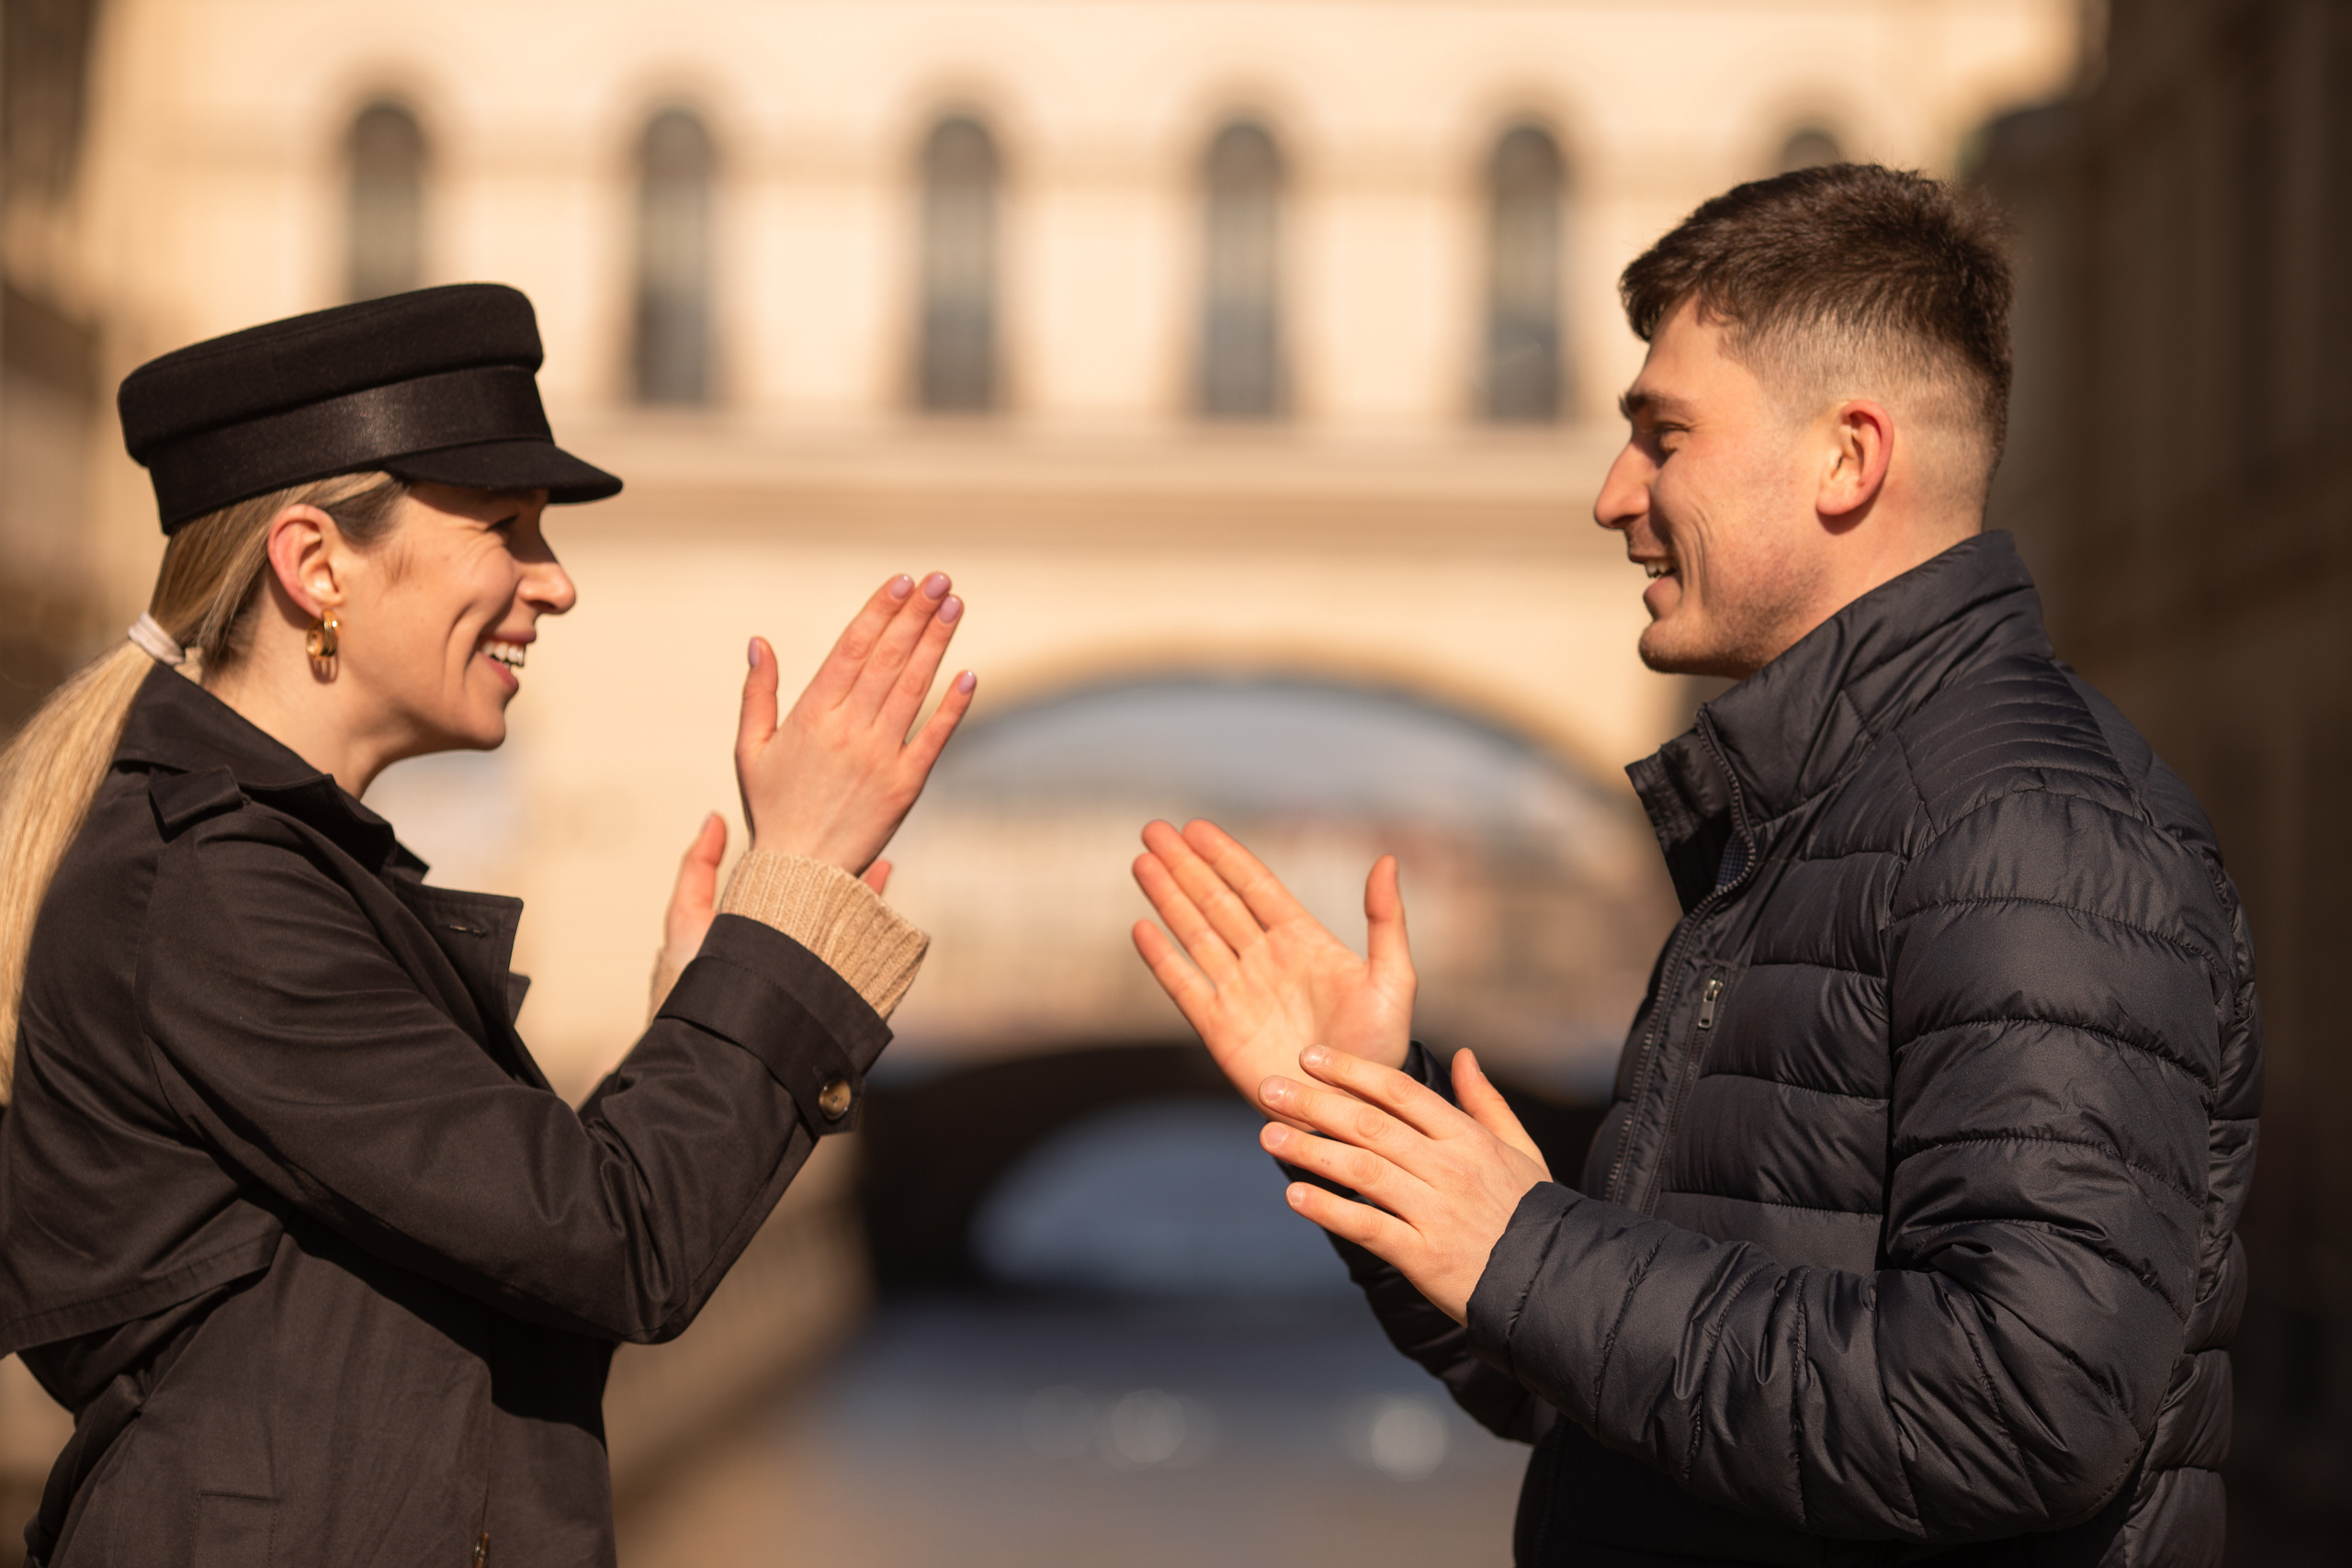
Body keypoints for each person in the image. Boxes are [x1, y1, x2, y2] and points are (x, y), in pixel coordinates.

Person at [1132, 164, 2260, 1567]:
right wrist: (1374, 1124)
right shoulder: (1808, 826)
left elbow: (2027, 1408)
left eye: (1664, 436)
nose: (1615, 496)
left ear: (1849, 458)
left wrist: (1523, 1244)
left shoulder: (2028, 834)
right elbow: (1611, 1396)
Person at [0, 284, 976, 1565]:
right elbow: (619, 1245)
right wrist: (788, 900)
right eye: (507, 528)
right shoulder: (217, 895)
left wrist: (710, 1012)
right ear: (313, 565)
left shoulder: (263, 873)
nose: (554, 584)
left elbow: (515, 1251)